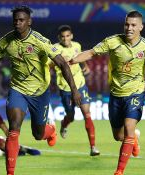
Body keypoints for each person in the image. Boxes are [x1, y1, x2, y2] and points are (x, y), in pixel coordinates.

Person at [0, 5, 81, 175]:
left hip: (40, 92)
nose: (17, 23)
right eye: (15, 20)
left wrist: (74, 90)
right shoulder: (5, 41)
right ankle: (10, 172)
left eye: (21, 20)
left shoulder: (40, 41)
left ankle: (50, 131)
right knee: (14, 130)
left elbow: (62, 64)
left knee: (38, 134)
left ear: (29, 22)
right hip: (18, 90)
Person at [70, 11, 145, 175]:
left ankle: (119, 171)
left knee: (128, 127)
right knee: (118, 136)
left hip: (135, 94)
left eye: (133, 25)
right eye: (127, 24)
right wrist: (72, 60)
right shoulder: (113, 41)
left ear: (141, 27)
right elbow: (91, 53)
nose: (129, 28)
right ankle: (134, 138)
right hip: (115, 94)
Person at [51, 25, 100, 156]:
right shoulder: (55, 49)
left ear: (71, 36)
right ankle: (64, 124)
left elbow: (81, 57)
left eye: (67, 36)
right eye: (62, 37)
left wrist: (85, 66)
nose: (65, 39)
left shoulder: (77, 45)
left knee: (86, 113)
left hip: (80, 84)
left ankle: (93, 147)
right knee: (71, 116)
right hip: (65, 88)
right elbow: (49, 64)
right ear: (59, 38)